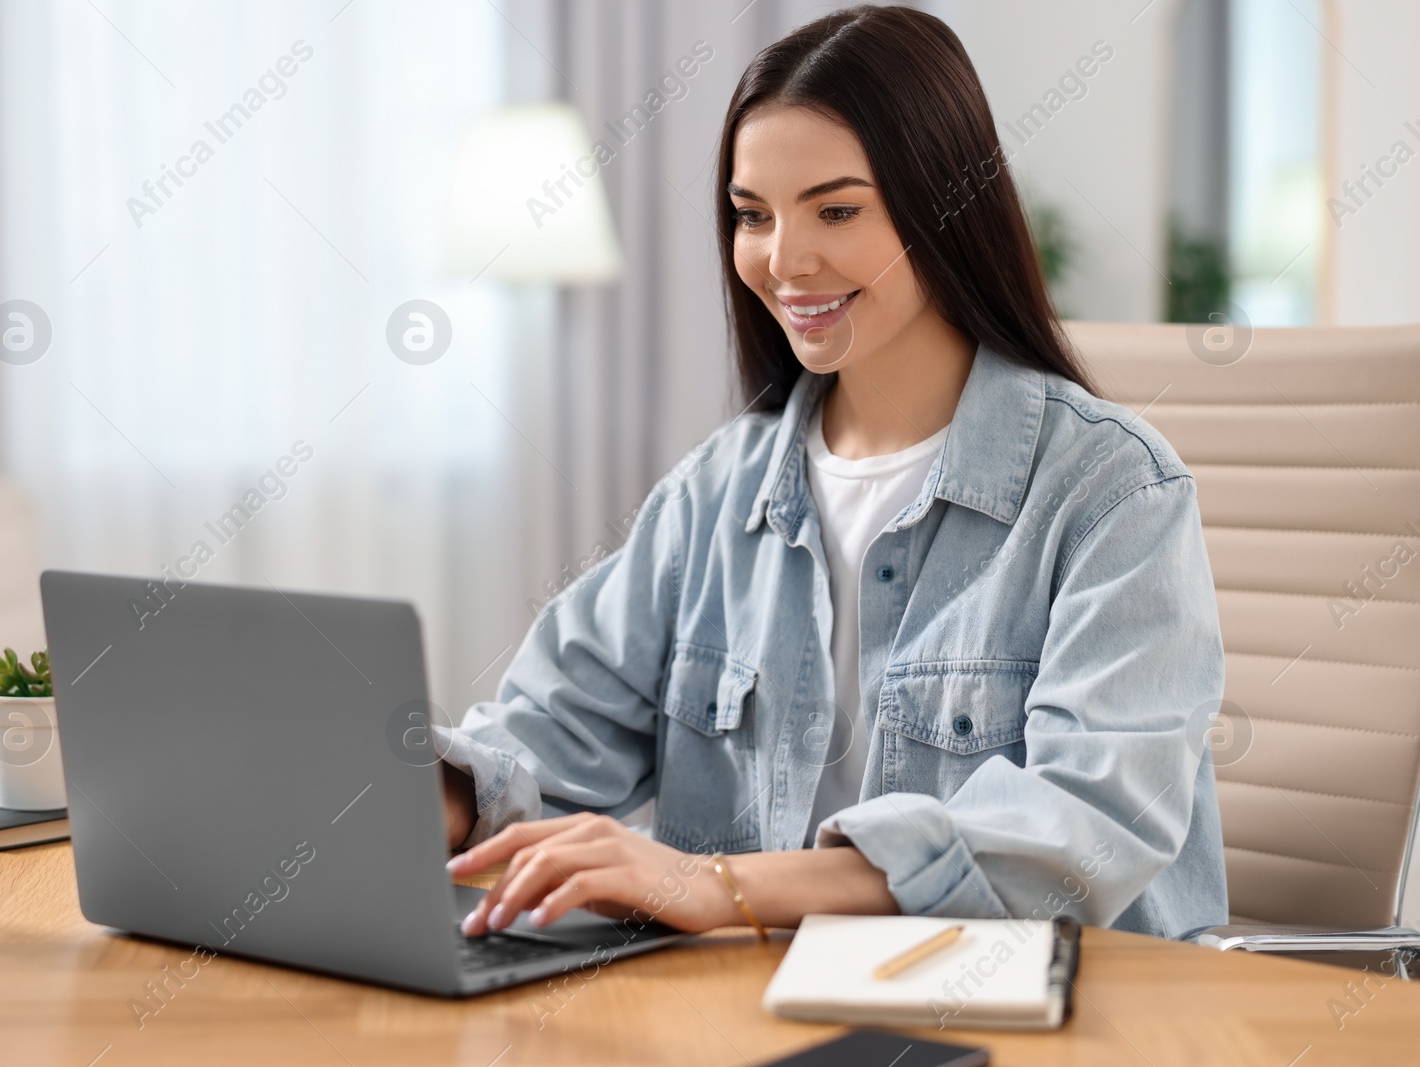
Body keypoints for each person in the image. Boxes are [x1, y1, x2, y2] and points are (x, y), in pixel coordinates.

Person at [440, 4, 1228, 942]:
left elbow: (1079, 832)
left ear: (945, 204)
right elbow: (543, 746)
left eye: (837, 209)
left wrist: (717, 885)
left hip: (1043, 1018)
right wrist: (410, 791)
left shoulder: (1114, 494)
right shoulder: (713, 494)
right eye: (751, 215)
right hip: (758, 1013)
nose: (783, 261)